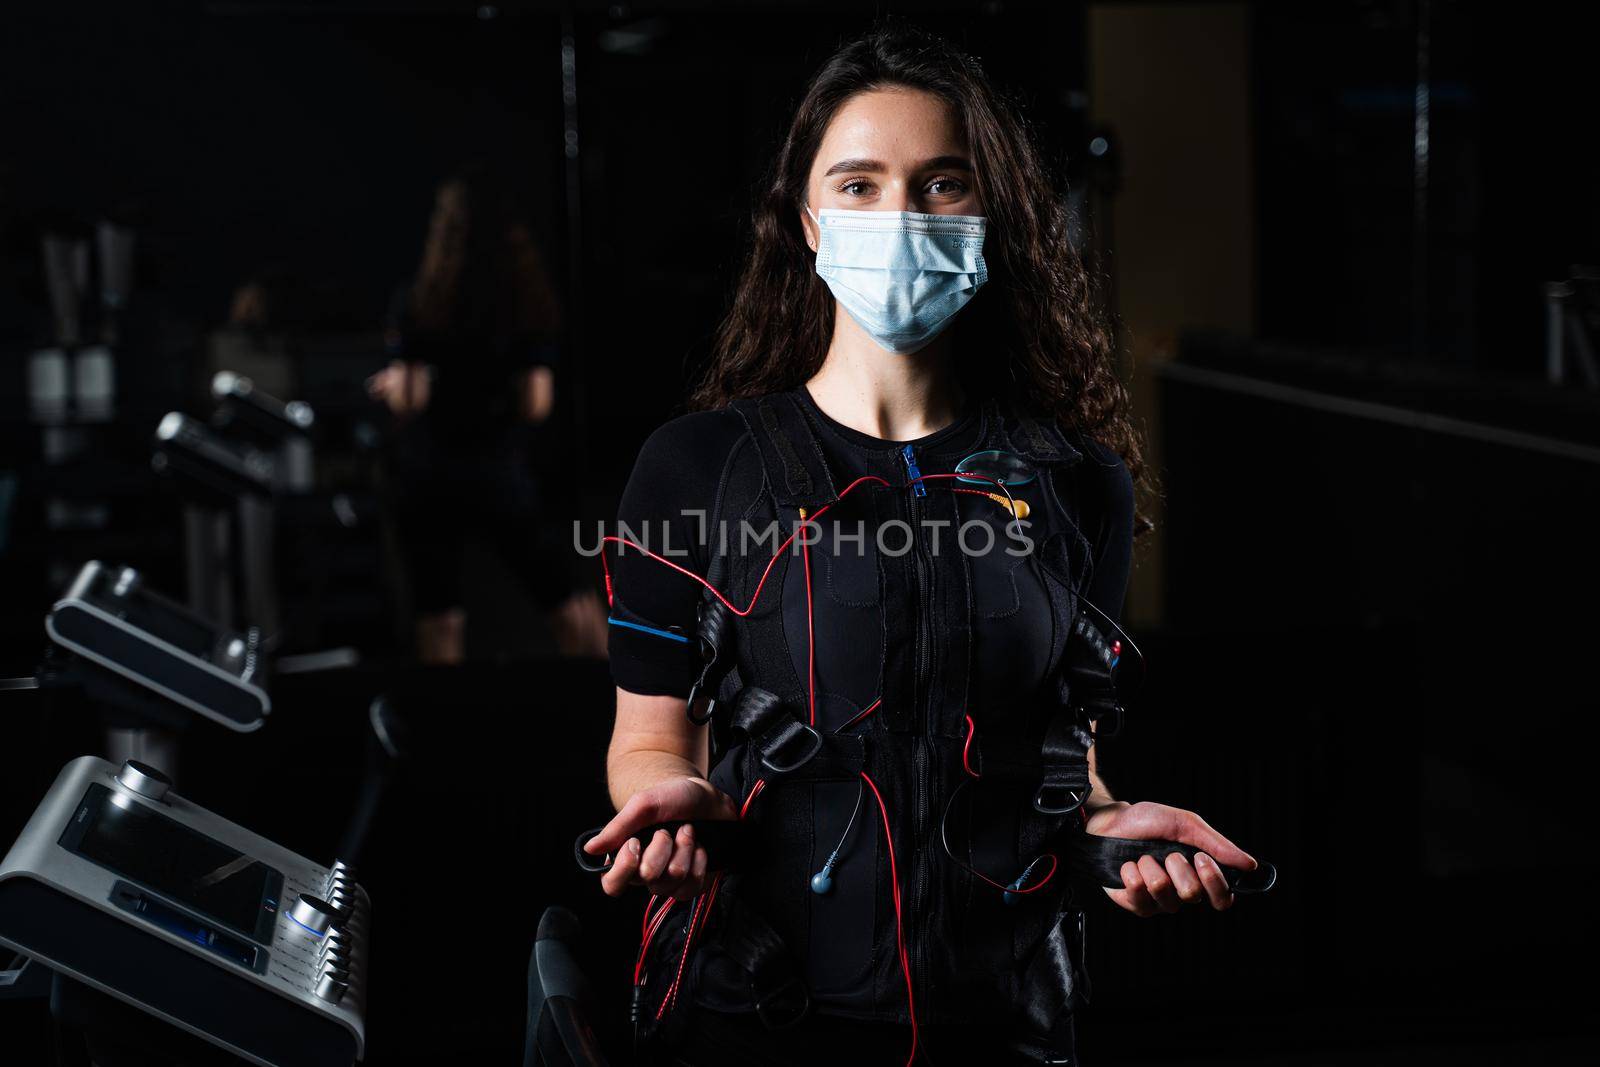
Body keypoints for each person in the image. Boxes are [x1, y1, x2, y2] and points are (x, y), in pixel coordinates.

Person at [583, 25, 1259, 1065]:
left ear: (991, 220)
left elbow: (1064, 759)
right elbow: (649, 741)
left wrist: (1115, 827)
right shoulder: (694, 468)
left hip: (1008, 1025)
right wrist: (663, 799)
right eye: (859, 184)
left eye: (942, 183)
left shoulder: (1078, 482)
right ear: (808, 221)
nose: (898, 216)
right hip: (756, 1017)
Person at [368, 165, 606, 662]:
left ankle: (443, 738)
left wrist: (405, 384)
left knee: (439, 618)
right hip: (498, 473)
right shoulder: (527, 305)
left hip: (428, 475)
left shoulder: (417, 302)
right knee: (568, 606)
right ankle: (610, 720)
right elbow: (536, 404)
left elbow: (409, 400)